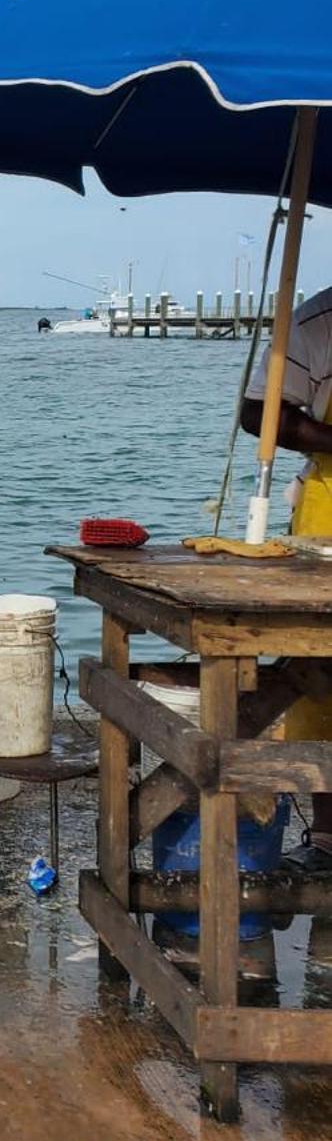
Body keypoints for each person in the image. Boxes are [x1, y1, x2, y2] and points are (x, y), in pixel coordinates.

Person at [242, 285, 332, 872]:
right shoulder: (319, 322)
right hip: (328, 511)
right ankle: (328, 836)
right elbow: (259, 412)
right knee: (322, 673)